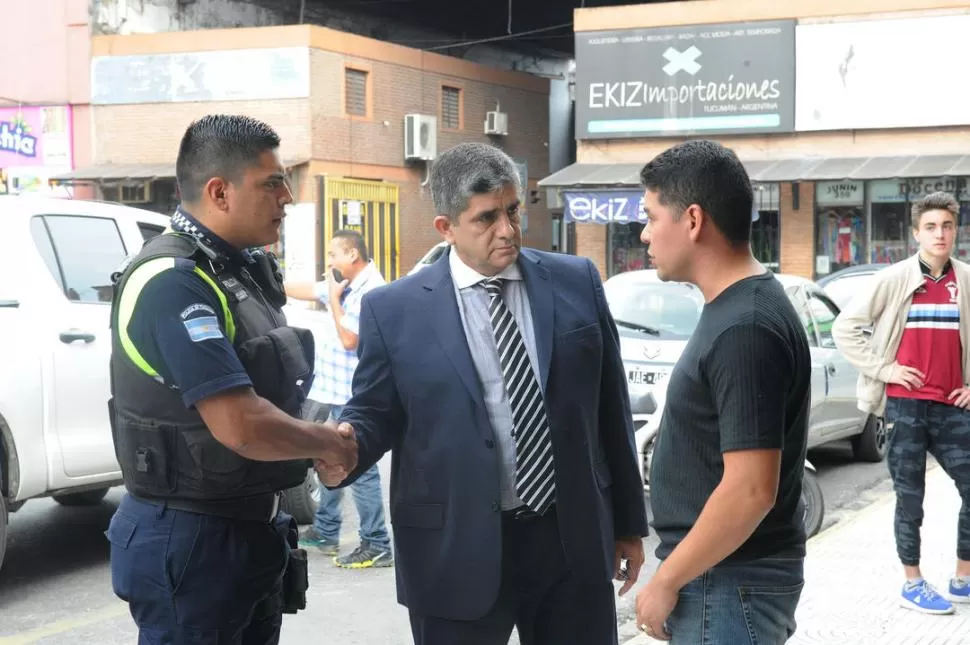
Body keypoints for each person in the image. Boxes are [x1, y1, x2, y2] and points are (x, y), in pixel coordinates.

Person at [317, 142, 648, 645]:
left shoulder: (575, 281)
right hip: (453, 550)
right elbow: (376, 411)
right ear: (446, 228)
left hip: (569, 542)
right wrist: (348, 444)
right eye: (486, 218)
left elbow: (610, 408)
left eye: (513, 211)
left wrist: (627, 522)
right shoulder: (396, 309)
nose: (508, 230)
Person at [104, 114, 357, 644]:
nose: (286, 196)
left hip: (244, 528)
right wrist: (327, 444)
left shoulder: (235, 269)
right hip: (190, 536)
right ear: (219, 192)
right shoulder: (172, 282)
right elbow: (240, 424)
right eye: (272, 183)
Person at [633, 140, 811, 644]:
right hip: (723, 581)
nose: (644, 234)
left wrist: (666, 582)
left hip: (729, 584)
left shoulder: (745, 327)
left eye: (650, 216)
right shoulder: (739, 309)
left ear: (692, 220)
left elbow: (751, 489)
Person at [832, 191, 970, 614]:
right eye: (931, 227)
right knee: (910, 498)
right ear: (916, 233)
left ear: (956, 229)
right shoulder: (893, 278)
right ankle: (913, 583)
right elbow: (846, 327)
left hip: (953, 406)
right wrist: (886, 370)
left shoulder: (965, 278)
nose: (940, 233)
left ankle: (963, 577)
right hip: (905, 406)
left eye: (947, 225)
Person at [285, 230, 394, 568]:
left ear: (352, 255)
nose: (329, 261)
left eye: (333, 254)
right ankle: (327, 531)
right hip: (337, 392)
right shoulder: (346, 284)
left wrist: (332, 299)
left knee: (359, 467)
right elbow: (306, 289)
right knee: (328, 457)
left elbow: (350, 340)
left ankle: (377, 543)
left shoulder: (371, 291)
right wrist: (267, 280)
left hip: (355, 395)